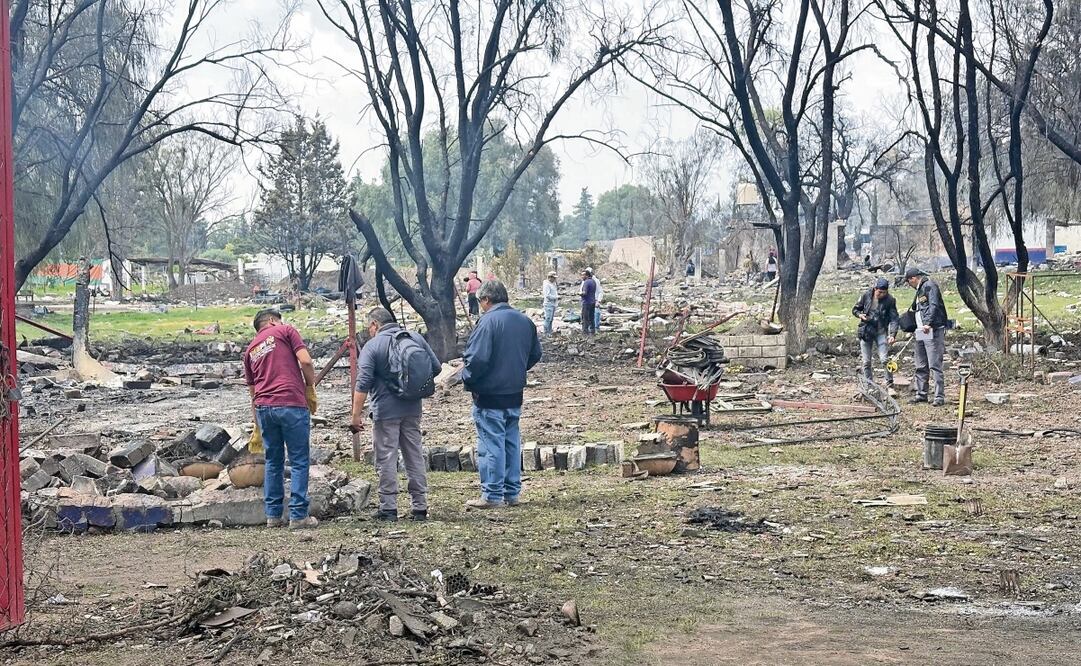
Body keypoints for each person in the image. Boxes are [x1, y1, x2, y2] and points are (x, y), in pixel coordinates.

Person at [351, 307, 441, 522]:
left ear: (375, 325)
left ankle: (388, 508)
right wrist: (410, 385)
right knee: (414, 455)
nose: (368, 331)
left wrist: (356, 416)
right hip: (412, 408)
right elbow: (435, 368)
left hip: (385, 410)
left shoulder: (373, 346)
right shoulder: (415, 338)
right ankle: (420, 507)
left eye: (368, 327)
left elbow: (362, 383)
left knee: (386, 458)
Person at [462, 280, 542, 509]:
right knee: (511, 442)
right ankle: (511, 492)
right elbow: (536, 353)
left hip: (489, 395)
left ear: (486, 300)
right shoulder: (525, 321)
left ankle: (492, 495)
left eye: (480, 302)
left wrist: (467, 378)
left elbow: (476, 359)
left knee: (491, 445)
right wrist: (516, 369)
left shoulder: (487, 322)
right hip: (514, 392)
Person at [243, 309, 319, 530]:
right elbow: (305, 361)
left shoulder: (250, 350)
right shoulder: (285, 330)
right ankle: (298, 516)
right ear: (273, 320)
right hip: (291, 404)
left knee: (273, 462)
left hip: (264, 408)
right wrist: (310, 386)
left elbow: (252, 393)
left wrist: (256, 423)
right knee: (298, 460)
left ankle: (273, 516)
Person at [904, 267, 948, 406]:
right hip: (921, 330)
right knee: (921, 363)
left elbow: (934, 305)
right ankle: (921, 394)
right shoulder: (920, 289)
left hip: (932, 329)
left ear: (913, 278)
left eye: (908, 282)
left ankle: (939, 397)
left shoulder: (929, 286)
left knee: (934, 364)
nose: (909, 285)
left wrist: (928, 323)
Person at [853, 277, 899, 387]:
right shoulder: (866, 295)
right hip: (866, 331)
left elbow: (894, 319)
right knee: (866, 361)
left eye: (884, 292)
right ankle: (869, 385)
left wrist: (892, 334)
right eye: (879, 292)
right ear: (875, 289)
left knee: (884, 359)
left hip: (881, 332)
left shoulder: (890, 300)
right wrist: (860, 315)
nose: (881, 294)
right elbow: (855, 309)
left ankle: (889, 383)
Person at [579, 269, 597, 335]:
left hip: (586, 302)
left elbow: (584, 293)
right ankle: (593, 331)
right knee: (591, 318)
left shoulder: (586, 282)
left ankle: (585, 333)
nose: (582, 277)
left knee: (585, 318)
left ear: (587, 275)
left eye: (583, 275)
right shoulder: (593, 281)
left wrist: (579, 293)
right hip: (592, 302)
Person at [542, 271, 558, 336]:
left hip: (553, 304)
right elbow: (547, 295)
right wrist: (556, 297)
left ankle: (550, 331)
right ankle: (546, 332)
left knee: (551, 319)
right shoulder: (546, 284)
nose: (555, 279)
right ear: (550, 277)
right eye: (553, 278)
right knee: (548, 318)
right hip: (548, 304)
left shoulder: (553, 284)